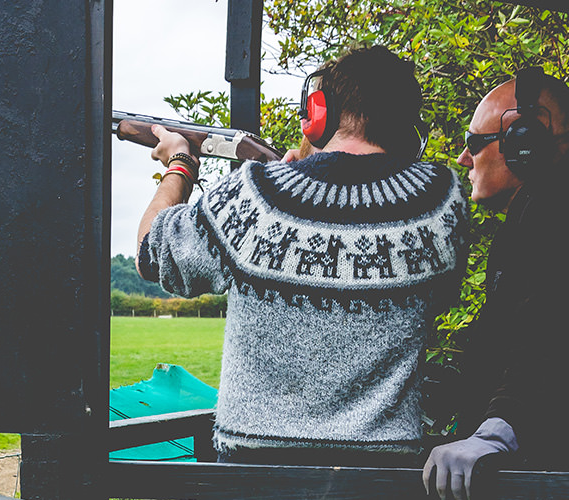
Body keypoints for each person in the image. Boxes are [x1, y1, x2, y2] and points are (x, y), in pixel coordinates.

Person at [135, 45, 468, 466]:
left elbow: (150, 252)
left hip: (254, 472)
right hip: (385, 475)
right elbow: (440, 297)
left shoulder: (253, 195)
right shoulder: (444, 199)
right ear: (407, 129)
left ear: (318, 114)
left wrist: (180, 164)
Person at [422, 67, 569, 499]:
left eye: (474, 144)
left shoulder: (551, 213)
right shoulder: (530, 215)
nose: (464, 160)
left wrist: (498, 431)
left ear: (528, 144)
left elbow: (548, 327)